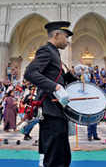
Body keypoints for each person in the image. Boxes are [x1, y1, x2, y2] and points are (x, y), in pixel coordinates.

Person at [24, 21, 77, 167]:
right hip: (50, 109)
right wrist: (55, 87)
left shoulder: (55, 53)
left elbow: (55, 78)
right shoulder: (46, 50)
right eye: (66, 37)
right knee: (55, 157)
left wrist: (71, 76)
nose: (67, 41)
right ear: (56, 34)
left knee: (63, 155)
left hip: (57, 110)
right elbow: (29, 73)